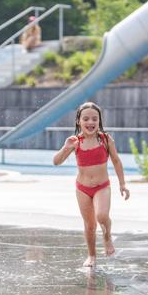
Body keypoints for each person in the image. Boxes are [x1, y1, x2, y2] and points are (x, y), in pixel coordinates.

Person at [53, 102, 130, 268]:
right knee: (89, 226)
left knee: (102, 216)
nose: (90, 122)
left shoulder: (105, 139)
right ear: (78, 121)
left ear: (99, 121)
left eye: (94, 119)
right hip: (82, 188)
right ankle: (92, 256)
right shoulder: (75, 142)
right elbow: (56, 162)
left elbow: (116, 161)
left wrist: (122, 184)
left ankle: (107, 235)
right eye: (86, 118)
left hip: (102, 186)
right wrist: (65, 148)